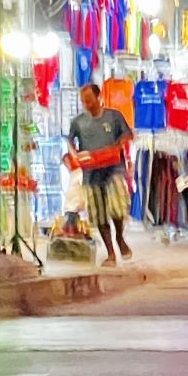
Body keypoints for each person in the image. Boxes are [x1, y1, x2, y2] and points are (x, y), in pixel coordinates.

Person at [67, 82, 134, 266]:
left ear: (98, 97)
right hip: (91, 173)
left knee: (117, 209)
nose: (87, 105)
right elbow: (70, 142)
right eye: (84, 102)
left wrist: (117, 145)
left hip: (113, 169)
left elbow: (128, 134)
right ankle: (110, 252)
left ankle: (120, 238)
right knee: (99, 214)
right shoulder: (78, 122)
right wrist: (74, 155)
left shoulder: (113, 116)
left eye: (90, 100)